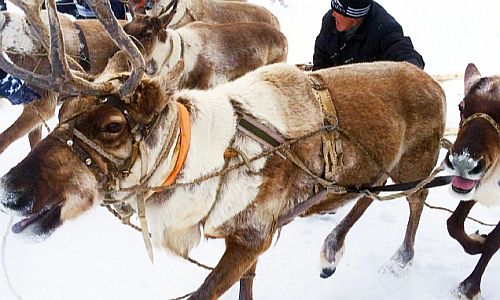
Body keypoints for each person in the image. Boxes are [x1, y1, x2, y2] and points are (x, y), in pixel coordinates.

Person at [313, 0, 424, 71]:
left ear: (353, 17)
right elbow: (321, 57)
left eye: (338, 11)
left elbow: (407, 57)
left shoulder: (384, 28)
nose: (333, 14)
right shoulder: (329, 22)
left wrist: (410, 73)